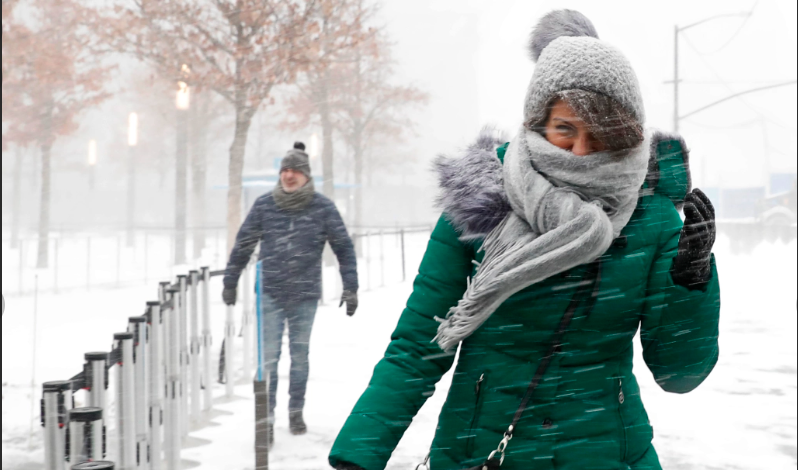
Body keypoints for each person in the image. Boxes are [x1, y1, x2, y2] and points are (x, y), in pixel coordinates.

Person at [330, 10, 719, 470]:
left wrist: (691, 279)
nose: (579, 152)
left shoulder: (650, 214)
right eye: (564, 130)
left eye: (599, 136)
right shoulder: (480, 201)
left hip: (605, 451)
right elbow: (420, 342)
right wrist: (360, 453)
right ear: (537, 123)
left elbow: (679, 373)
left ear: (624, 134)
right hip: (483, 449)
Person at [222, 141, 358, 443]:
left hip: (305, 295)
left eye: (295, 170)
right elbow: (244, 244)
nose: (288, 176)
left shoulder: (323, 208)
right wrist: (230, 281)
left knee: (299, 356)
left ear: (306, 175)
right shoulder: (264, 205)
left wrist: (351, 287)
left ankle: (296, 411)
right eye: (285, 170)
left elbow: (344, 248)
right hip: (270, 292)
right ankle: (265, 420)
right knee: (268, 360)